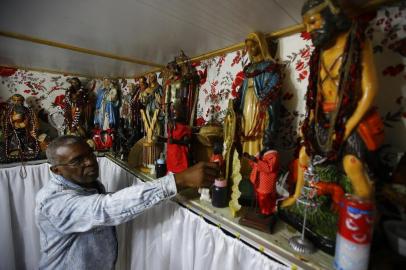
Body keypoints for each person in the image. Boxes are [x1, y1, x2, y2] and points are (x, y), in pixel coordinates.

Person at [35, 135, 218, 270]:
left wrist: (179, 185)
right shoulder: (53, 201)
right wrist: (177, 181)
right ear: (56, 170)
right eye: (77, 161)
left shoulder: (86, 184)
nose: (90, 162)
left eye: (90, 154)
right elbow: (104, 208)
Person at [282, 0, 379, 207]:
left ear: (331, 15)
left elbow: (370, 91)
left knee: (352, 165)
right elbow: (314, 95)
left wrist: (347, 128)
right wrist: (308, 122)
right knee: (303, 155)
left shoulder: (357, 43)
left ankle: (366, 217)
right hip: (322, 118)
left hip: (350, 116)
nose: (308, 30)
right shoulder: (319, 54)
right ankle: (297, 197)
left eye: (313, 22)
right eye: (306, 25)